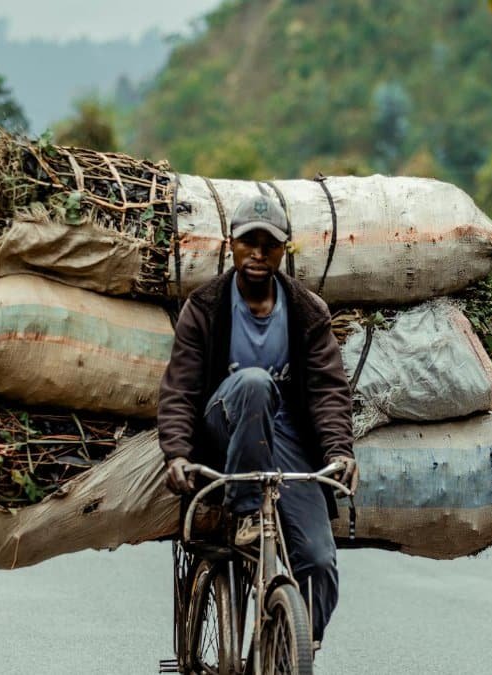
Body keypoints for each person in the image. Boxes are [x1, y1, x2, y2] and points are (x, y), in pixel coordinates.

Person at [157, 193, 358, 646]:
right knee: (253, 383)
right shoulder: (205, 308)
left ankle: (290, 645)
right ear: (232, 245)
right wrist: (176, 453)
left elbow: (329, 391)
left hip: (286, 444)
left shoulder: (307, 312)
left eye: (270, 245)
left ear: (284, 251)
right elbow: (180, 389)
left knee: (319, 561)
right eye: (250, 242)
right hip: (224, 429)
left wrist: (339, 450)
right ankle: (247, 510)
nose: (259, 254)